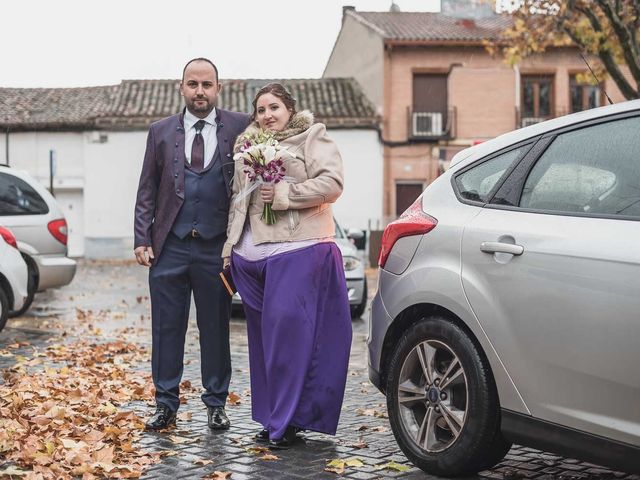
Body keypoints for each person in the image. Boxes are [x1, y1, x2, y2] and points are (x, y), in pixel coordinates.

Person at [223, 83, 352, 449]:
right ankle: (272, 417)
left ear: (290, 110)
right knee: (264, 345)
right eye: (260, 109)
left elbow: (332, 183)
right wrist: (229, 247)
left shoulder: (312, 137)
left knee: (290, 343)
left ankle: (287, 421)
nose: (267, 115)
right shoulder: (245, 148)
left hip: (298, 249)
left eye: (274, 107)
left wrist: (284, 195)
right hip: (250, 258)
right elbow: (239, 201)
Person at [134, 58, 250, 431]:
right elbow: (147, 188)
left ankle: (216, 403)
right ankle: (165, 403)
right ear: (181, 87)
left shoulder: (239, 126)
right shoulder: (160, 131)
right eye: (193, 84)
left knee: (215, 328)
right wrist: (142, 238)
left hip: (216, 249)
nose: (200, 91)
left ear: (218, 88)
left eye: (207, 84)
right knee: (167, 329)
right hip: (169, 246)